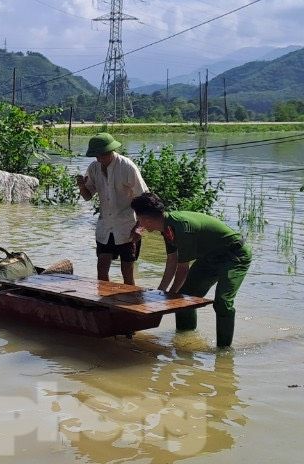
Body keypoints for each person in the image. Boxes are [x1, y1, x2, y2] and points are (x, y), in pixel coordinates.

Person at [131, 192, 251, 348]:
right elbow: (172, 261)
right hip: (210, 257)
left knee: (222, 302)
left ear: (145, 219)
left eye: (138, 219)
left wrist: (169, 297)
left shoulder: (181, 227)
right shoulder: (167, 228)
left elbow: (182, 270)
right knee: (184, 299)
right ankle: (185, 339)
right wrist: (160, 292)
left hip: (234, 255)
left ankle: (223, 351)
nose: (139, 224)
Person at [76, 132, 148, 285]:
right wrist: (82, 186)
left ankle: (127, 305)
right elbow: (88, 196)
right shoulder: (94, 167)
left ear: (109, 152)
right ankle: (105, 305)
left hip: (127, 226)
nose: (97, 159)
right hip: (105, 226)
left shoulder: (126, 166)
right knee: (102, 269)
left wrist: (140, 227)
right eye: (95, 156)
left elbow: (145, 198)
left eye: (100, 155)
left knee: (127, 272)